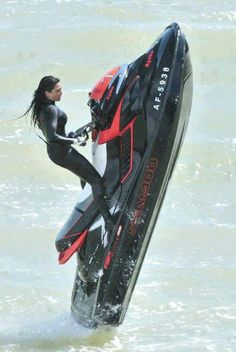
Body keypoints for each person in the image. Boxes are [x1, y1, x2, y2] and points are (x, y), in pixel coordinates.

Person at [22, 75, 115, 231]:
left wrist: (72, 136)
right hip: (62, 153)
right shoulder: (50, 109)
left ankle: (91, 211)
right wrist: (74, 141)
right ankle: (109, 222)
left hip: (58, 152)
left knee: (85, 177)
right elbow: (52, 137)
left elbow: (56, 133)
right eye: (57, 90)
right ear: (47, 93)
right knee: (95, 180)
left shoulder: (44, 107)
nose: (61, 92)